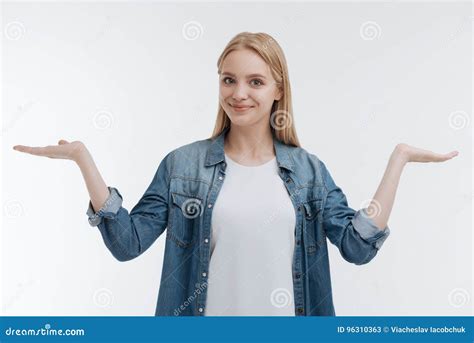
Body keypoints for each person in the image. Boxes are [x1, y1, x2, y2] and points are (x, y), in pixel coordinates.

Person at [12, 32, 459, 316]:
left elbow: (358, 249)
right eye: (228, 80)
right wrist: (83, 160)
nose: (239, 93)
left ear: (278, 88)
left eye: (255, 81)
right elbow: (127, 244)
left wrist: (397, 160)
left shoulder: (307, 172)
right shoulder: (182, 166)